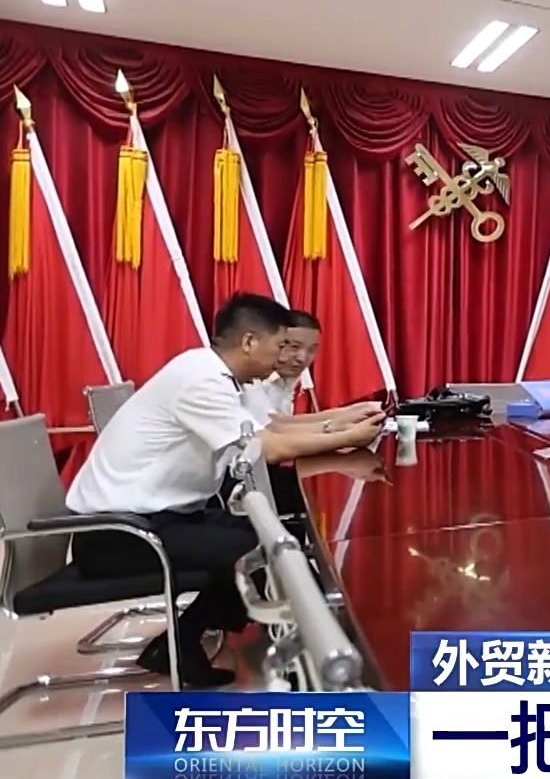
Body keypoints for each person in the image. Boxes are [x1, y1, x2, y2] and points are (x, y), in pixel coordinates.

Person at [66, 293, 384, 686]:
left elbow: (266, 431)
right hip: (118, 534)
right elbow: (267, 447)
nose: (281, 359)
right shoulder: (202, 381)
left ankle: (182, 642)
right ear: (249, 342)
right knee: (262, 548)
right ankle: (304, 658)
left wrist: (342, 428)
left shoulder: (209, 373)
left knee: (270, 534)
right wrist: (350, 436)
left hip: (154, 519)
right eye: (279, 347)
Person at [230, 309, 383, 516]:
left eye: (312, 350)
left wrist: (344, 416)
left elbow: (281, 423)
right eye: (291, 347)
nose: (302, 358)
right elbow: (273, 433)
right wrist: (344, 433)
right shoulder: (249, 380)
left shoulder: (283, 380)